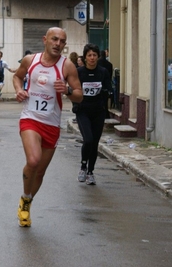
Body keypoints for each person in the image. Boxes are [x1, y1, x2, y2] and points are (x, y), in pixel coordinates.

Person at [13, 27, 83, 227]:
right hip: (30, 118)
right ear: (45, 40)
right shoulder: (30, 60)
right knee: (33, 161)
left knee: (41, 171)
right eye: (54, 39)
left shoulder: (67, 66)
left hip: (51, 123)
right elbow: (17, 77)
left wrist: (68, 90)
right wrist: (19, 90)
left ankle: (26, 201)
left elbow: (80, 94)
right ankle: (26, 199)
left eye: (62, 41)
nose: (58, 44)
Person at [74, 43, 112, 185]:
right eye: (89, 55)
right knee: (88, 139)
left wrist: (105, 92)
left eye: (94, 55)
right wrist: (75, 104)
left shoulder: (103, 72)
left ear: (98, 57)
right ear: (84, 57)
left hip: (98, 111)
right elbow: (73, 90)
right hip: (83, 110)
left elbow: (109, 88)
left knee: (95, 142)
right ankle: (83, 166)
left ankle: (91, 172)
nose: (92, 58)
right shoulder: (79, 72)